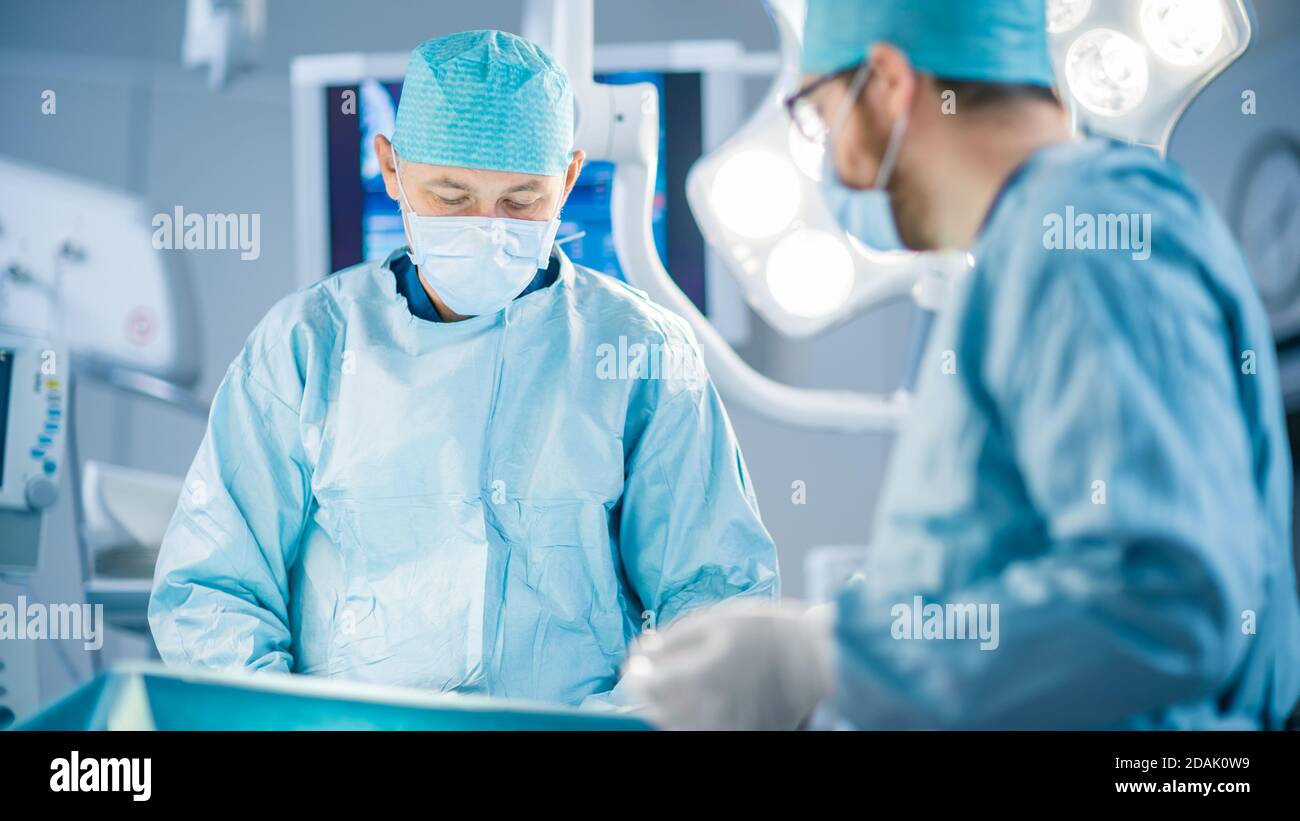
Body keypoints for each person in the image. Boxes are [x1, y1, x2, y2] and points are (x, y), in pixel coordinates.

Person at [626, 0, 1300, 729]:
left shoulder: (1079, 234)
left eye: (818, 116)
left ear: (886, 81)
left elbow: (1168, 601)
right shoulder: (1034, 246)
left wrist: (829, 659)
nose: (828, 161)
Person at [148, 29, 778, 709]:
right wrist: (299, 727)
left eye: (521, 201)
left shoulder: (639, 355)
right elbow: (212, 593)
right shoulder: (305, 349)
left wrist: (606, 731)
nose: (486, 226)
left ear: (567, 180)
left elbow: (716, 603)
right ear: (390, 168)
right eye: (451, 198)